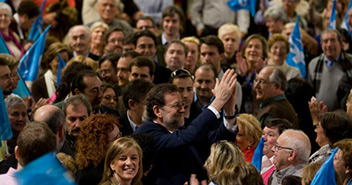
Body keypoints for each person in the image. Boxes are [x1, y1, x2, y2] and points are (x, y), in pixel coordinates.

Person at [136, 69, 239, 184]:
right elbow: (187, 137)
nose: (182, 110)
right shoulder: (147, 133)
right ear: (157, 111)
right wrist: (218, 101)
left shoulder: (182, 130)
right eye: (176, 106)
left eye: (182, 105)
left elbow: (216, 142)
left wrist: (230, 113)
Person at [308, 29, 352, 111]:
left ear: (341, 43)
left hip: (345, 118)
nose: (329, 44)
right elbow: (310, 94)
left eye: (332, 40)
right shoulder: (313, 64)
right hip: (321, 116)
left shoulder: (350, 62)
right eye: (325, 41)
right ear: (321, 45)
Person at [75, 114, 121, 185]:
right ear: (101, 145)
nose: (121, 142)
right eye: (115, 139)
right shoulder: (92, 176)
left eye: (120, 135)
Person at [237, 34, 268, 115]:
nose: (253, 50)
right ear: (244, 51)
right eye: (249, 46)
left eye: (257, 47)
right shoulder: (236, 71)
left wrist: (260, 75)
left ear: (263, 52)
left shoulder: (268, 73)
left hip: (259, 116)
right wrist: (241, 77)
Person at [261, 118, 293, 185]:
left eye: (270, 135)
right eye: (263, 133)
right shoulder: (262, 159)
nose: (264, 138)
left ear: (282, 139)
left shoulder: (282, 165)